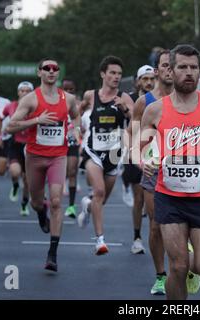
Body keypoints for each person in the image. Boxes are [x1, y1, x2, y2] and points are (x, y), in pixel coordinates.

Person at [139, 44, 200, 300]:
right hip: (168, 197)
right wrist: (144, 161)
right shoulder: (155, 110)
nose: (189, 72)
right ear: (171, 69)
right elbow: (139, 148)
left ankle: (187, 253)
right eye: (182, 67)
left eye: (194, 67)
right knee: (178, 267)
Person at [7, 58, 80, 272]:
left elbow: (76, 117)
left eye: (55, 68)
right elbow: (10, 127)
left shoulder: (68, 99)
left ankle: (52, 254)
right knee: (36, 202)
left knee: (57, 201)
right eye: (46, 68)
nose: (51, 71)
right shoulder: (31, 99)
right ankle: (41, 212)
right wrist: (35, 121)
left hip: (58, 156)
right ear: (39, 72)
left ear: (58, 73)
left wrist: (75, 130)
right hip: (34, 156)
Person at [77, 55, 134, 255]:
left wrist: (124, 109)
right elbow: (78, 111)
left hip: (114, 155)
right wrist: (77, 130)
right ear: (103, 74)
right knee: (99, 192)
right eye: (112, 73)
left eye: (119, 73)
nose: (116, 77)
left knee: (101, 200)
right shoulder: (91, 95)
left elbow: (137, 120)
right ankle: (100, 240)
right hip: (92, 152)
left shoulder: (124, 97)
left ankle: (88, 206)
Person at [128, 49, 173, 295]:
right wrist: (138, 158)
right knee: (156, 224)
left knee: (182, 224)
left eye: (172, 65)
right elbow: (132, 135)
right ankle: (160, 275)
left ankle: (181, 265)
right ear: (156, 70)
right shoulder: (144, 102)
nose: (170, 69)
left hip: (182, 170)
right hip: (153, 170)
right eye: (165, 65)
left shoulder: (188, 98)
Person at [123, 65, 156, 255]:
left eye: (151, 78)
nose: (149, 82)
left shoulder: (163, 99)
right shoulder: (134, 101)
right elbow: (128, 130)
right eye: (145, 79)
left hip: (158, 154)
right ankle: (137, 237)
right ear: (138, 81)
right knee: (139, 198)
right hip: (138, 154)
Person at [0, 81, 34, 216]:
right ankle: (15, 185)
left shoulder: (35, 107)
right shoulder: (11, 106)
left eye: (27, 91)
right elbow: (0, 119)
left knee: (28, 180)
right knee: (15, 172)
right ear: (18, 92)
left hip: (31, 145)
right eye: (22, 91)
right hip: (15, 144)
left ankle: (24, 204)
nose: (24, 93)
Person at [61, 78, 82, 219]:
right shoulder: (54, 104)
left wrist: (79, 133)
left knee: (72, 171)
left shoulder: (78, 105)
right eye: (66, 90)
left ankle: (71, 206)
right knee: (59, 174)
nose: (69, 92)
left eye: (71, 90)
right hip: (57, 144)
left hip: (73, 143)